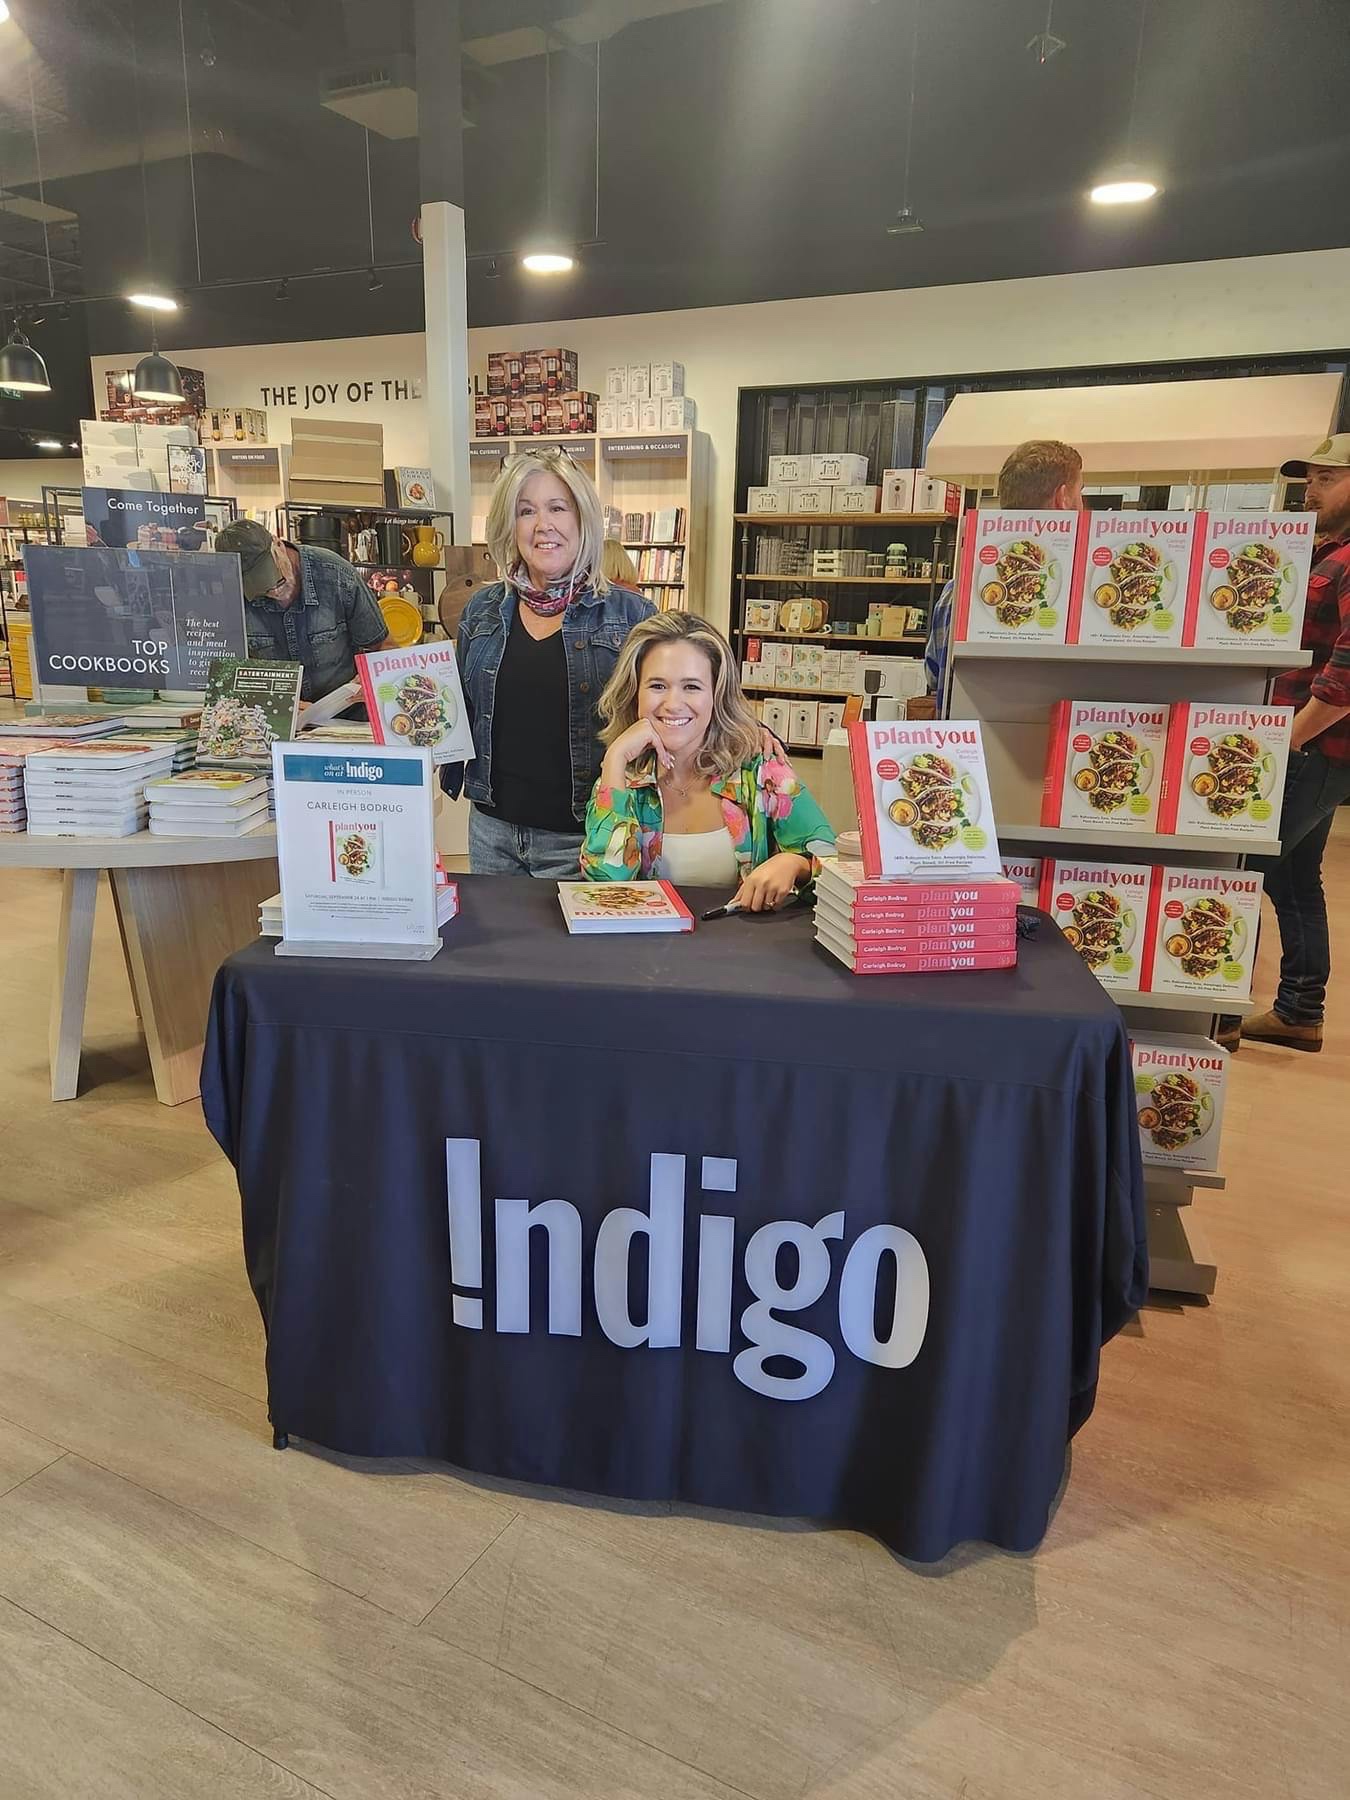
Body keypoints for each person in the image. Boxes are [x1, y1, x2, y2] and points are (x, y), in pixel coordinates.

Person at [443, 447, 656, 877]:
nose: (543, 525)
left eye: (558, 507)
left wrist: (749, 732)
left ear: (582, 519)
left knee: (574, 947)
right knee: (496, 947)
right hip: (492, 834)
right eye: (526, 511)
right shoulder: (483, 609)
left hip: (584, 837)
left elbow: (686, 699)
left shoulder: (633, 616)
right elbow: (459, 708)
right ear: (510, 524)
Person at [582, 610, 836, 908]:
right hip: (646, 951)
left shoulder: (760, 769)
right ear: (634, 692)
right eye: (657, 686)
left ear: (716, 695)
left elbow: (834, 864)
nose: (673, 704)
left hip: (741, 947)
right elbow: (604, 892)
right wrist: (614, 759)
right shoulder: (622, 778)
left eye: (692, 686)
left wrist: (795, 865)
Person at [1229, 434, 1350, 1053]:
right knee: (1296, 877)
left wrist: (1285, 742)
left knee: (1240, 868)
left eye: (1326, 478)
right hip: (1315, 750)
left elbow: (1345, 676)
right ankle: (1300, 1011)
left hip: (1313, 750)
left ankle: (1214, 1011)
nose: (1312, 489)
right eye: (1311, 479)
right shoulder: (1327, 553)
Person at [924, 439, 1084, 706]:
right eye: (1081, 494)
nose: (1083, 506)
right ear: (1063, 498)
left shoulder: (959, 587)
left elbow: (933, 676)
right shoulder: (1071, 590)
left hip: (967, 742)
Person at [213, 519, 391, 704]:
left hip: (347, 716)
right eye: (262, 589)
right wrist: (284, 704)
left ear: (278, 544)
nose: (274, 591)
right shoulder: (234, 598)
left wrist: (369, 679)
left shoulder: (337, 576)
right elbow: (232, 676)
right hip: (278, 717)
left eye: (279, 579)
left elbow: (384, 647)